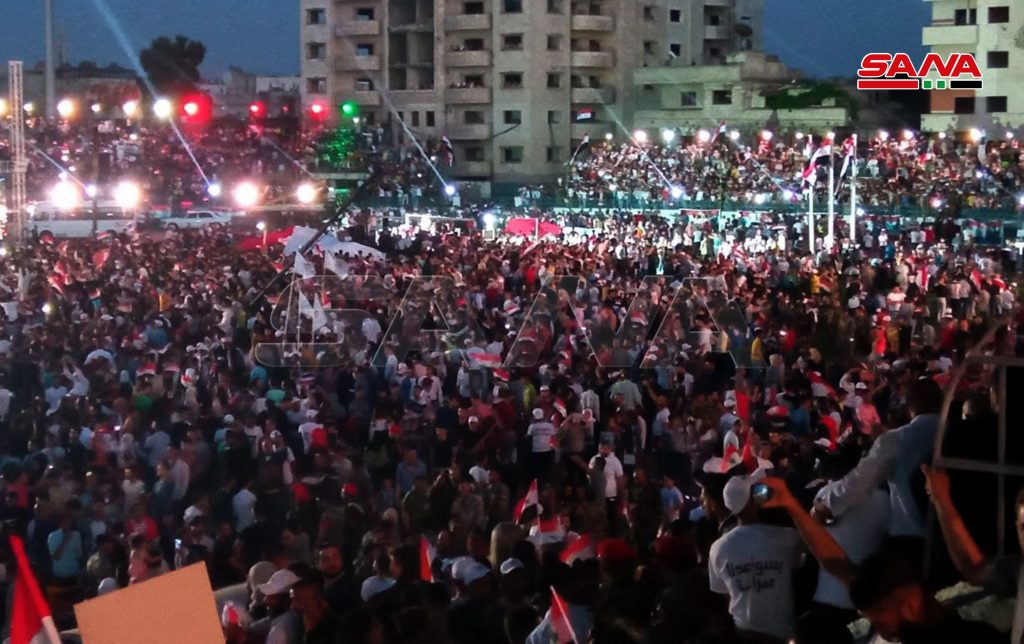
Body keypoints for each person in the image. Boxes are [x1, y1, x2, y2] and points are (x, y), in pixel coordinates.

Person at [757, 476, 1005, 643]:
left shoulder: (973, 635)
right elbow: (837, 564)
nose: (881, 633)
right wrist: (791, 505)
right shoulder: (891, 604)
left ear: (909, 603)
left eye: (881, 622)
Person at [814, 378, 943, 537]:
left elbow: (860, 481)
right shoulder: (959, 434)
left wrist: (826, 506)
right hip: (961, 538)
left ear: (910, 407)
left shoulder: (895, 440)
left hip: (913, 538)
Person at [923, 464, 1024, 642]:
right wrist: (942, 500)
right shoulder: (1019, 570)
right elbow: (974, 567)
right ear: (1017, 528)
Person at [707, 473, 803, 641]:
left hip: (742, 630)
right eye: (759, 490)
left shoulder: (718, 548)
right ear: (750, 501)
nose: (764, 492)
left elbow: (724, 593)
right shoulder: (787, 537)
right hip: (783, 631)